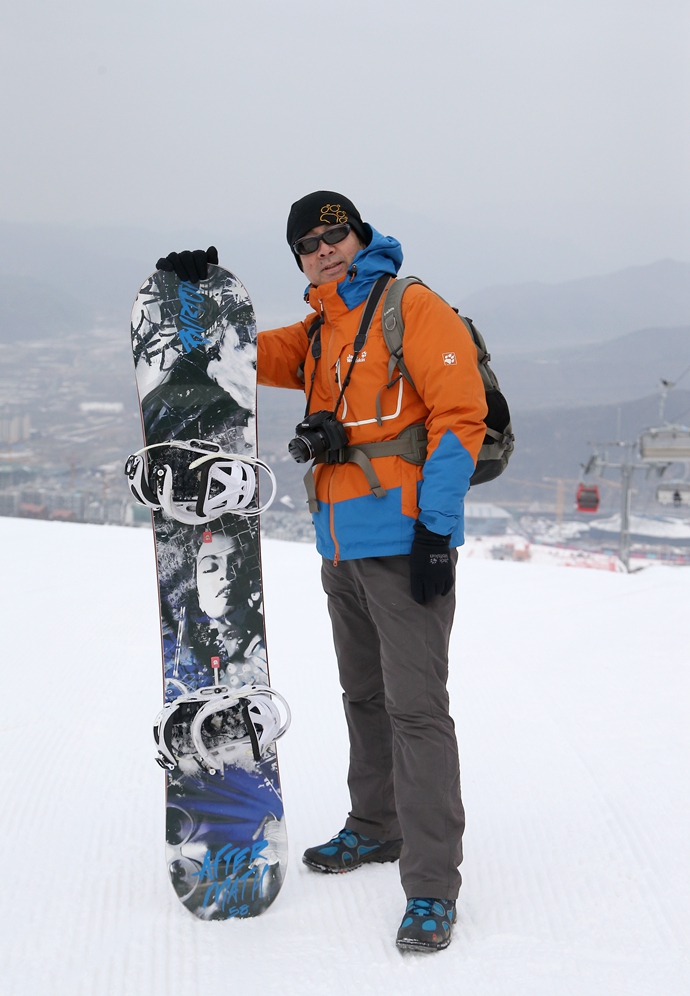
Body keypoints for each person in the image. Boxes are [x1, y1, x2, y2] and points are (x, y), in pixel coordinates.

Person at [156, 190, 488, 951]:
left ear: (359, 236)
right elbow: (241, 352)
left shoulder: (411, 307)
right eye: (307, 245)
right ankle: (376, 826)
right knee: (364, 697)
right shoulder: (320, 329)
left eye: (333, 234)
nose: (323, 249)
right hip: (340, 546)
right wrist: (194, 300)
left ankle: (432, 887)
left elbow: (459, 418)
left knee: (416, 712)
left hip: (404, 544)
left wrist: (436, 533)